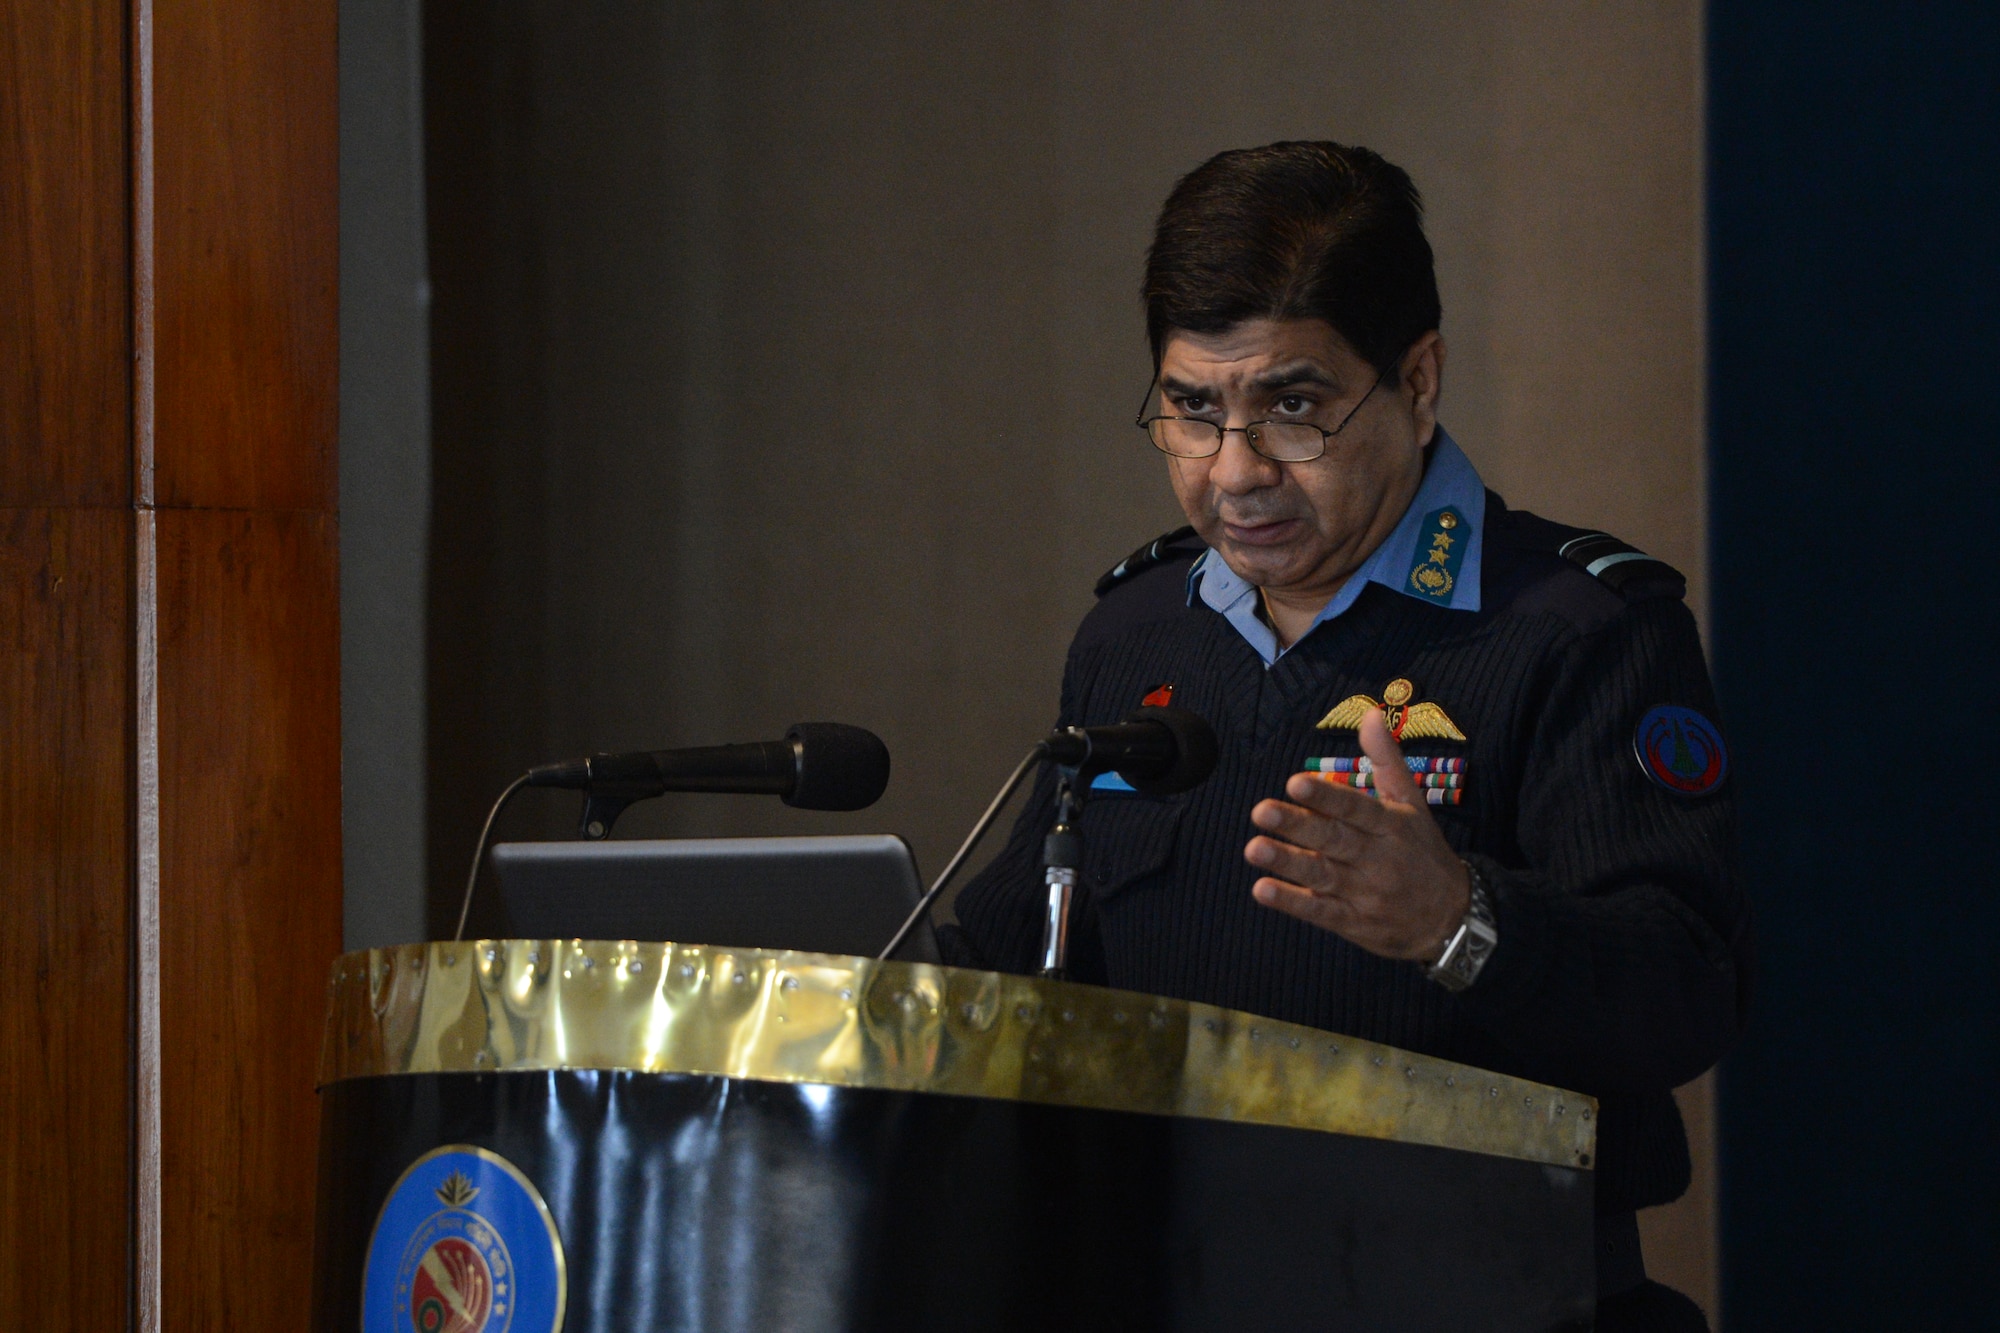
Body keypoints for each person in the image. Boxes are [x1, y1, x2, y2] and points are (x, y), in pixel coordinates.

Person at [941, 141, 1751, 1331]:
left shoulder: (1573, 628)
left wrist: (1454, 923)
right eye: (1190, 411)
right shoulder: (1135, 636)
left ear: (1417, 379)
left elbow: (1686, 992)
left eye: (1292, 408)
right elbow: (1022, 963)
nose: (1234, 473)